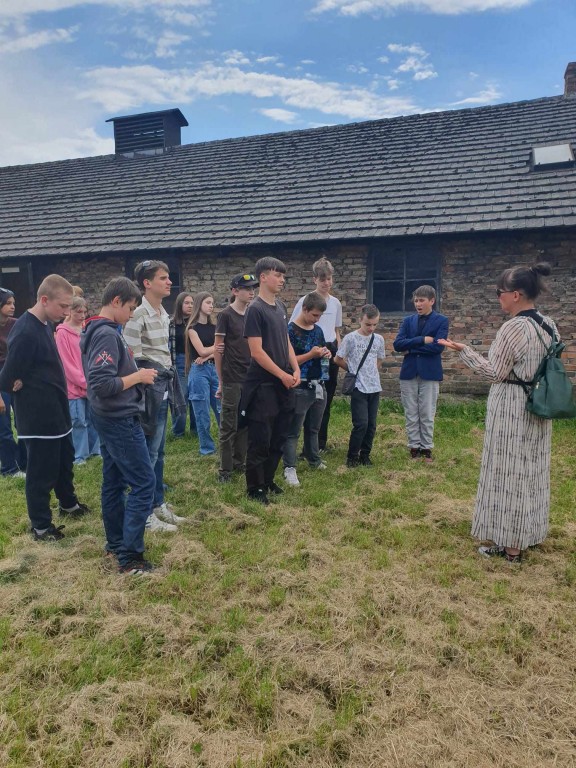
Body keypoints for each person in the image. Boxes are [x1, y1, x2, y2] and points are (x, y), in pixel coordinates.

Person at [439, 262, 557, 564]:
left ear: (516, 294)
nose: (498, 298)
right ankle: (526, 534)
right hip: (538, 402)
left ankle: (511, 547)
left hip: (512, 406)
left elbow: (494, 372)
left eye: (500, 293)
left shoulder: (514, 327)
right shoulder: (548, 324)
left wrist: (463, 351)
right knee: (532, 470)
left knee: (508, 473)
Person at [0, 275, 90, 541]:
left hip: (57, 413)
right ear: (44, 300)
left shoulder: (43, 325)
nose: (66, 312)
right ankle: (41, 526)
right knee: (41, 473)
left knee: (64, 464)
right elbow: (7, 376)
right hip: (38, 418)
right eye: (63, 307)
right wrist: (14, 382)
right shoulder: (26, 331)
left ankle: (68, 504)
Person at [81, 277, 159, 575]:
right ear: (115, 301)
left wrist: (136, 372)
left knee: (113, 481)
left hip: (109, 416)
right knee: (143, 483)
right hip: (118, 418)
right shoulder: (105, 334)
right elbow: (102, 384)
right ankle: (130, 557)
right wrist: (138, 378)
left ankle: (116, 542)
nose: (130, 315)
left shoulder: (101, 330)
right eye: (129, 308)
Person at [124, 260, 185, 531]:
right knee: (148, 452)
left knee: (159, 451)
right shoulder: (138, 315)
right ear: (147, 283)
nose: (169, 282)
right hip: (149, 389)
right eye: (163, 278)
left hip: (164, 386)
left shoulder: (163, 313)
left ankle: (158, 503)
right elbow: (133, 358)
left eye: (169, 277)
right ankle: (145, 512)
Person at [241, 257, 300, 505]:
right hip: (263, 384)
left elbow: (285, 342)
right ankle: (255, 489)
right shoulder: (255, 309)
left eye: (283, 275)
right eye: (278, 274)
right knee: (261, 438)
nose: (282, 279)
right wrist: (281, 374)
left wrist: (295, 368)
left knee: (279, 436)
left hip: (284, 382)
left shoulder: (280, 308)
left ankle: (267, 479)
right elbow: (256, 351)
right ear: (263, 277)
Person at [290, 257, 342, 450]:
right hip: (310, 349)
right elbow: (295, 327)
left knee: (326, 397)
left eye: (329, 279)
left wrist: (338, 350)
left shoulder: (336, 303)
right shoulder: (305, 301)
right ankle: (304, 442)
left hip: (329, 349)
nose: (326, 283)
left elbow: (337, 330)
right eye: (322, 279)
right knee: (307, 398)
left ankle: (320, 443)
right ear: (315, 280)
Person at [393, 285, 449, 463]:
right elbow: (398, 344)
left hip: (430, 372)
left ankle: (426, 448)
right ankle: (414, 447)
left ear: (431, 301)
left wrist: (411, 348)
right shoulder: (408, 321)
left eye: (421, 300)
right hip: (409, 371)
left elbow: (438, 348)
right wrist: (422, 340)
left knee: (426, 412)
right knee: (411, 411)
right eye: (416, 300)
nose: (418, 304)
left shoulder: (441, 321)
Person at [283, 292, 331, 487]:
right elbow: (288, 360)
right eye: (314, 315)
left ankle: (313, 458)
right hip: (299, 385)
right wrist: (311, 354)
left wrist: (325, 353)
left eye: (319, 316)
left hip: (319, 383)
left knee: (313, 427)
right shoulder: (290, 331)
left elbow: (321, 351)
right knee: (293, 430)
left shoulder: (318, 330)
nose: (316, 319)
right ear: (304, 309)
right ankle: (289, 467)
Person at [214, 273, 258, 482]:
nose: (251, 292)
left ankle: (239, 462)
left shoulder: (252, 314)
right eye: (246, 288)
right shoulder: (225, 315)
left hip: (250, 378)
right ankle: (225, 470)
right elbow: (218, 349)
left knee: (245, 423)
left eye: (253, 289)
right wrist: (221, 381)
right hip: (232, 378)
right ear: (234, 291)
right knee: (228, 426)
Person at [334, 304, 385, 468]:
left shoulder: (379, 339)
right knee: (361, 424)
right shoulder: (350, 338)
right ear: (360, 320)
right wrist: (353, 370)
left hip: (374, 387)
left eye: (374, 325)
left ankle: (365, 455)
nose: (371, 328)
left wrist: (371, 371)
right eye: (368, 324)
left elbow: (379, 358)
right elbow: (338, 358)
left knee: (371, 425)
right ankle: (352, 456)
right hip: (358, 387)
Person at [55, 296, 101, 465]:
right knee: (78, 421)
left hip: (91, 382)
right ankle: (80, 455)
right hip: (74, 386)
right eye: (78, 311)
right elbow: (67, 363)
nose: (82, 315)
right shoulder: (62, 333)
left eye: (84, 311)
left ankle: (95, 450)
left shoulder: (86, 329)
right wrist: (83, 382)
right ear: (70, 311)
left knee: (93, 418)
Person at [185, 291, 221, 456]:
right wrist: (215, 350)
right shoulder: (192, 329)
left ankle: (227, 444)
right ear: (199, 304)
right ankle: (207, 448)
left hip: (216, 369)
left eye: (212, 303)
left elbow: (223, 349)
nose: (211, 306)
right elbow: (200, 349)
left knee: (221, 410)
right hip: (198, 372)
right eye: (208, 302)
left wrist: (208, 356)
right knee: (202, 412)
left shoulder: (215, 328)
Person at [0, 288, 27, 478]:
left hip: (16, 378)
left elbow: (23, 354)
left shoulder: (17, 325)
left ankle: (25, 463)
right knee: (4, 426)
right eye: (8, 303)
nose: (13, 306)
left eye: (13, 303)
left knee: (23, 422)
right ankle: (10, 467)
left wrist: (21, 377)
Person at [170, 292, 197, 438]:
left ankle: (195, 429)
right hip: (179, 361)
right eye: (187, 303)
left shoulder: (196, 322)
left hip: (196, 362)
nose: (190, 306)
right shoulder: (172, 323)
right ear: (180, 304)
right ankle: (178, 431)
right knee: (181, 397)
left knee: (195, 396)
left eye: (192, 303)